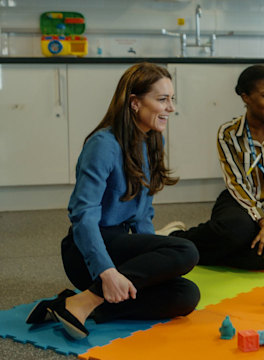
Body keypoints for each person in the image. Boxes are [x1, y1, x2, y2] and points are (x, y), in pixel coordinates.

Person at [25, 63, 200, 340]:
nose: (171, 108)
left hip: (123, 245)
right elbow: (83, 217)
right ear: (134, 102)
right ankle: (89, 299)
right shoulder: (103, 145)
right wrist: (106, 272)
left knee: (186, 295)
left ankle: (73, 304)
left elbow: (143, 215)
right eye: (162, 99)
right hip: (87, 252)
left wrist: (154, 263)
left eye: (172, 99)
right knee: (186, 251)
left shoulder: (152, 140)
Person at [160, 64, 264, 270]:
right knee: (238, 229)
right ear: (246, 97)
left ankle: (192, 253)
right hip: (239, 203)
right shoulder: (228, 133)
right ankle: (174, 240)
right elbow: (235, 183)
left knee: (262, 257)